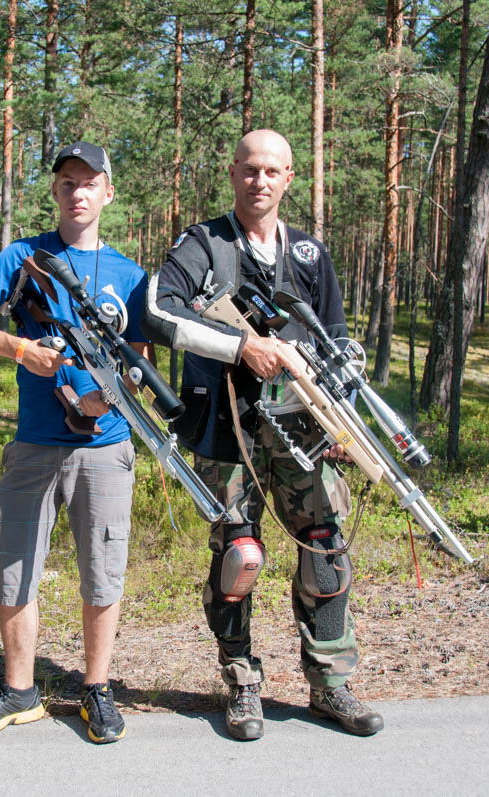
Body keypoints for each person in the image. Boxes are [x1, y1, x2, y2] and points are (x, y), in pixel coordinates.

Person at [142, 129, 384, 740]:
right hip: (227, 428)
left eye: (273, 171)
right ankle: (242, 683)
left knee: (326, 551)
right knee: (238, 556)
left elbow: (335, 341)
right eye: (250, 169)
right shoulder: (203, 244)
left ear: (289, 179)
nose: (260, 181)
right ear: (233, 173)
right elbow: (160, 310)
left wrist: (341, 418)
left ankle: (330, 685)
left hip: (305, 427)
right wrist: (239, 344)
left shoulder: (308, 254)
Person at [0, 142, 149, 744]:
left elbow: (139, 360)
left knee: (103, 570)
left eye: (89, 182)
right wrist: (20, 349)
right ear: (56, 192)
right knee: (15, 565)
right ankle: (19, 691)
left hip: (105, 446)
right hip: (34, 440)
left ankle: (97, 689)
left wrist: (103, 399)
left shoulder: (129, 275)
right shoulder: (22, 257)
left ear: (108, 193)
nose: (78, 192)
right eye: (67, 182)